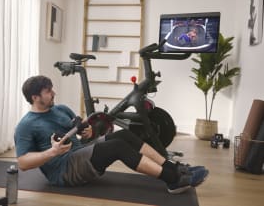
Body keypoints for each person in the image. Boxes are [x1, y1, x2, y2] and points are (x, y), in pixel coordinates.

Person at [14, 75, 208, 194]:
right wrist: (51, 153)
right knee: (116, 147)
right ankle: (172, 179)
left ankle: (174, 168)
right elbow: (23, 163)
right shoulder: (26, 125)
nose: (54, 93)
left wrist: (88, 132)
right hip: (64, 171)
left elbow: (84, 134)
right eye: (48, 91)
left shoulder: (61, 109)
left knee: (124, 136)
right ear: (35, 97)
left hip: (80, 152)